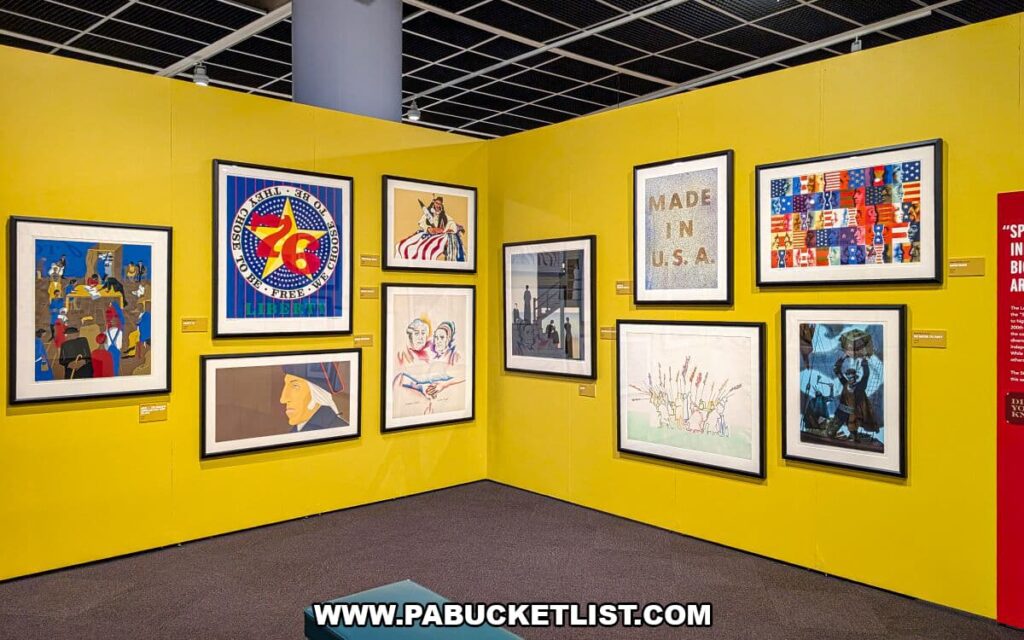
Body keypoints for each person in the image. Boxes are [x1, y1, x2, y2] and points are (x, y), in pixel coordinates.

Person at [279, 363, 348, 432]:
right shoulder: (298, 428)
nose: (283, 399)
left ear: (317, 394)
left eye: (295, 386)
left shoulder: (338, 429)